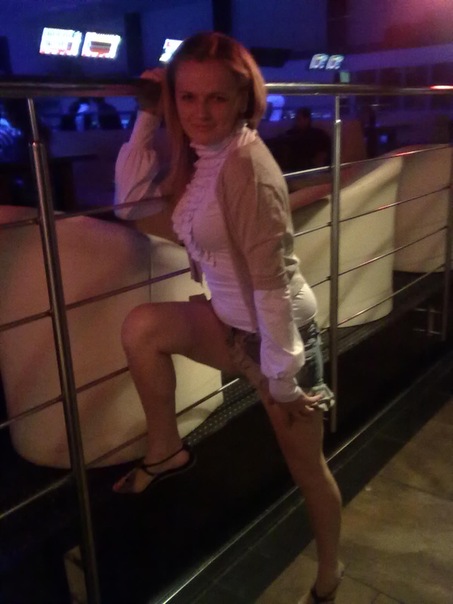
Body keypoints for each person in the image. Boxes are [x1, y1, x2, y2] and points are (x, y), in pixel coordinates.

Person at [114, 32, 343, 604]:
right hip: (233, 327)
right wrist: (147, 118)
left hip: (279, 338)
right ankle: (167, 451)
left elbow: (271, 286)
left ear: (243, 98)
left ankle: (330, 572)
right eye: (186, 97)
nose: (199, 112)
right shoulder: (205, 161)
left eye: (216, 97)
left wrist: (283, 380)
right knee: (143, 327)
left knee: (307, 470)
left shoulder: (245, 166)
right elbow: (131, 205)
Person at [268, 106, 332, 173]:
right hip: (290, 170)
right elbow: (279, 141)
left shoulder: (319, 136)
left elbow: (322, 157)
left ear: (307, 120)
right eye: (295, 119)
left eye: (298, 119)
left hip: (307, 170)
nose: (296, 122)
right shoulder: (290, 134)